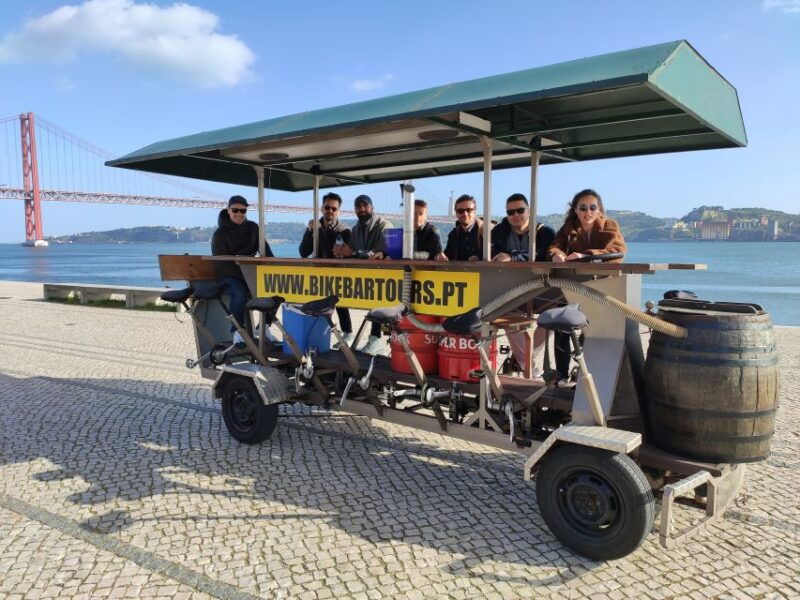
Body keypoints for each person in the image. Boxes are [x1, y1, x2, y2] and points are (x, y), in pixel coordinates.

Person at [548, 188, 627, 383]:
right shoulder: (569, 227)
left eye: (593, 207)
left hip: (601, 287)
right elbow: (555, 245)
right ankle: (561, 374)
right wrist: (556, 254)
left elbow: (618, 250)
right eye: (583, 207)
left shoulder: (610, 225)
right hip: (573, 286)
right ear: (575, 209)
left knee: (591, 331)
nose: (587, 212)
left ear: (600, 209)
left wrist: (586, 255)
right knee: (561, 325)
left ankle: (587, 375)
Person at [490, 193, 556, 377]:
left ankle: (523, 362)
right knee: (505, 317)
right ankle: (529, 368)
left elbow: (543, 256)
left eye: (520, 210)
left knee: (551, 319)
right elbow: (493, 256)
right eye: (510, 212)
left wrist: (512, 258)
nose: (515, 215)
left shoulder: (546, 233)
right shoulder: (498, 232)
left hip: (542, 290)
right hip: (510, 292)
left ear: (530, 211)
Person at [211, 195, 274, 345]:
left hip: (251, 273)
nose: (239, 213)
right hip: (228, 275)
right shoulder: (220, 234)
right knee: (238, 293)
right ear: (228, 210)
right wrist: (244, 274)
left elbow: (265, 250)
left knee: (275, 291)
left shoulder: (253, 227)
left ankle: (264, 327)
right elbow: (221, 262)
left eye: (243, 210)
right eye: (235, 210)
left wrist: (272, 266)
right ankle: (238, 331)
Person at [333, 194, 388, 353]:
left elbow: (379, 253)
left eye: (365, 205)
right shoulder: (356, 228)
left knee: (379, 301)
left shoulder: (384, 225)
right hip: (362, 276)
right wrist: (341, 252)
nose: (362, 209)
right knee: (337, 293)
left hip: (381, 277)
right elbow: (350, 252)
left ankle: (375, 340)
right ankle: (348, 333)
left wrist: (352, 252)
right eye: (358, 206)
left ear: (372, 208)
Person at [298, 191, 354, 345]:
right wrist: (310, 231)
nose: (330, 211)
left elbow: (333, 252)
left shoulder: (345, 230)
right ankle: (318, 337)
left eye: (334, 209)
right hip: (317, 273)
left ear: (338, 211)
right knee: (318, 305)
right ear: (322, 208)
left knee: (340, 302)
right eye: (327, 207)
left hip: (338, 272)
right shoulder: (313, 226)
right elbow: (303, 252)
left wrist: (319, 230)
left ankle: (347, 332)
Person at [437, 194, 486, 261]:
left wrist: (479, 258)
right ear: (456, 214)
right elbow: (448, 256)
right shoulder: (453, 235)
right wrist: (442, 257)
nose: (465, 214)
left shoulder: (485, 232)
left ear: (475, 212)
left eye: (468, 210)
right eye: (460, 211)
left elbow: (493, 254)